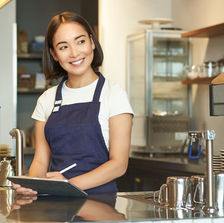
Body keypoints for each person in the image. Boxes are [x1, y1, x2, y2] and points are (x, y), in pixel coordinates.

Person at [12, 12, 134, 195]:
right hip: (55, 205)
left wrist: (69, 185)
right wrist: (34, 186)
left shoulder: (114, 95)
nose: (75, 53)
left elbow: (119, 165)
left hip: (100, 207)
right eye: (63, 47)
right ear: (54, 54)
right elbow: (40, 161)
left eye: (81, 41)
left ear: (92, 42)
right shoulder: (47, 99)